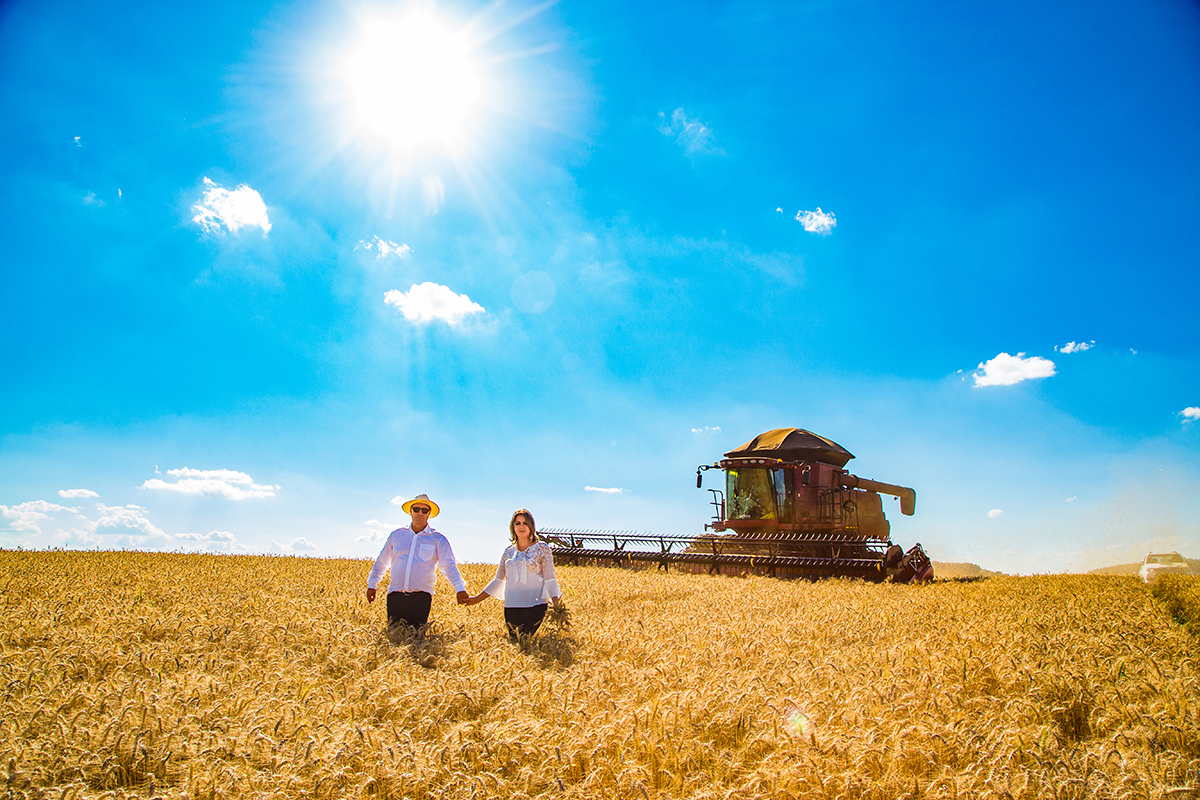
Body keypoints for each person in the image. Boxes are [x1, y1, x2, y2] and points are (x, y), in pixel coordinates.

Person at [366, 494, 470, 630]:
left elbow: (448, 566)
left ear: (429, 514)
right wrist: (372, 584)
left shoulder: (438, 539)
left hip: (420, 598)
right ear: (411, 512)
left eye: (424, 510)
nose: (420, 513)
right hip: (395, 596)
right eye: (416, 509)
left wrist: (459, 588)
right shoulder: (397, 535)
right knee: (393, 635)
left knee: (416, 637)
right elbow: (382, 561)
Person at [463, 508, 561, 639]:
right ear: (513, 527)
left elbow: (550, 578)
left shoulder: (542, 548)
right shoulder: (508, 552)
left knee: (524, 637)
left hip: (536, 603)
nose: (521, 526)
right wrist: (476, 599)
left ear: (531, 526)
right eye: (517, 523)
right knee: (515, 641)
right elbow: (498, 580)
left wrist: (557, 605)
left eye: (525, 523)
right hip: (511, 606)